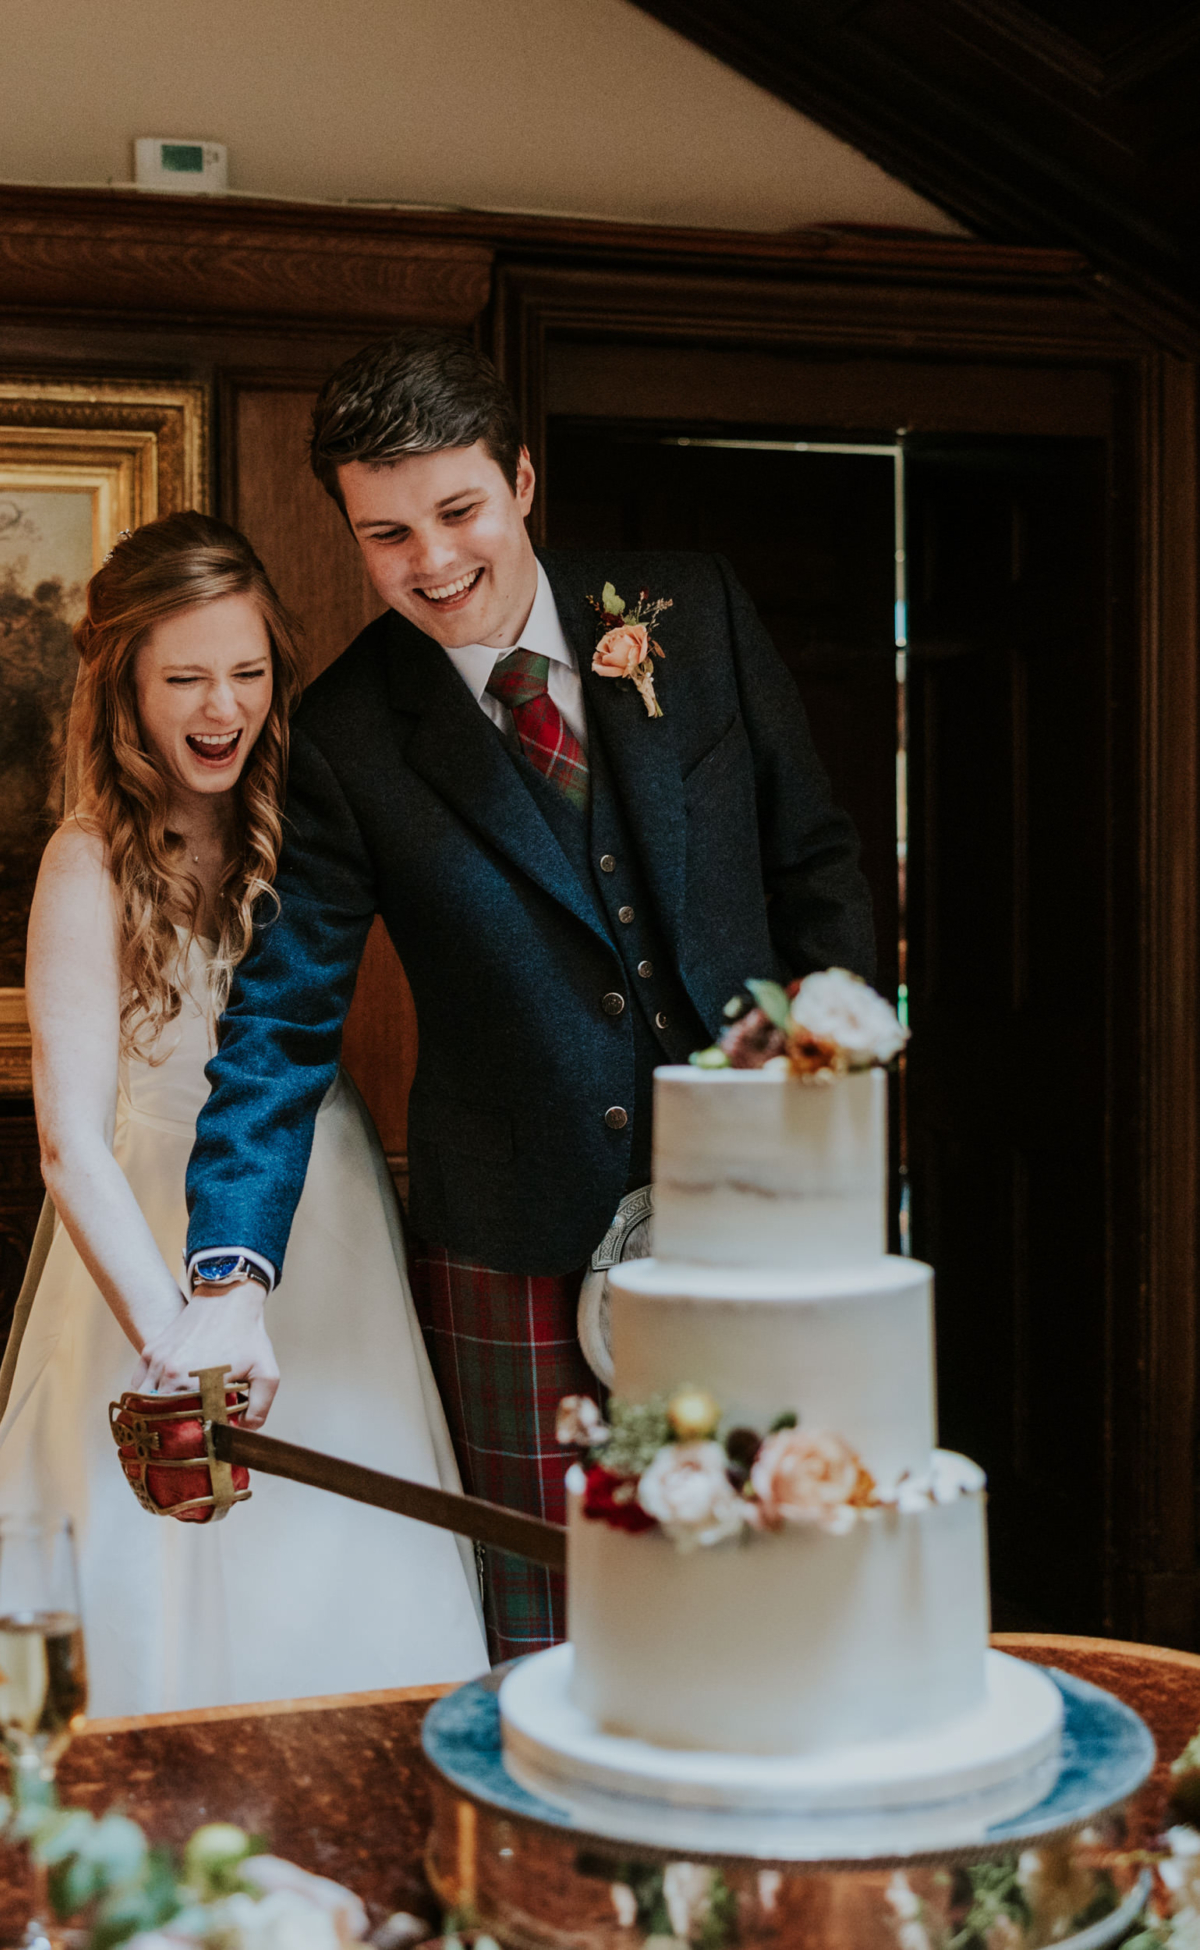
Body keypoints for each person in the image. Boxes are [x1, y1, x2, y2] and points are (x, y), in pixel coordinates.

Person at [181, 332, 878, 1662]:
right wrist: (227, 1266)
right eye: (386, 534)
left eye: (458, 511)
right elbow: (280, 1017)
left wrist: (834, 1103)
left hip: (761, 1199)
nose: (433, 562)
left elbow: (816, 866)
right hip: (510, 1233)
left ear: (522, 478)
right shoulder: (346, 733)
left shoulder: (693, 610)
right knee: (550, 1637)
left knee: (774, 1586)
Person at [0, 512, 486, 1748]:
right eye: (184, 680)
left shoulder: (309, 814)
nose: (223, 706)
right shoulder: (86, 865)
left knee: (348, 1560)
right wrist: (177, 1343)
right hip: (149, 1254)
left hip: (326, 1224)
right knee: (154, 1567)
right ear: (122, 687)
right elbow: (71, 1145)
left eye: (248, 671)